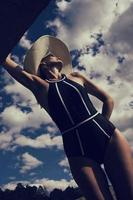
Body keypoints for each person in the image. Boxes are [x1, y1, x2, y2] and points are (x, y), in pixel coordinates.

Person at [2, 35, 133, 200]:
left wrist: (102, 128)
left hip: (108, 136)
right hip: (78, 150)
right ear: (42, 64)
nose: (54, 54)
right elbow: (8, 63)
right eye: (49, 54)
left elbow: (109, 100)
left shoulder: (77, 77)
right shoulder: (40, 86)